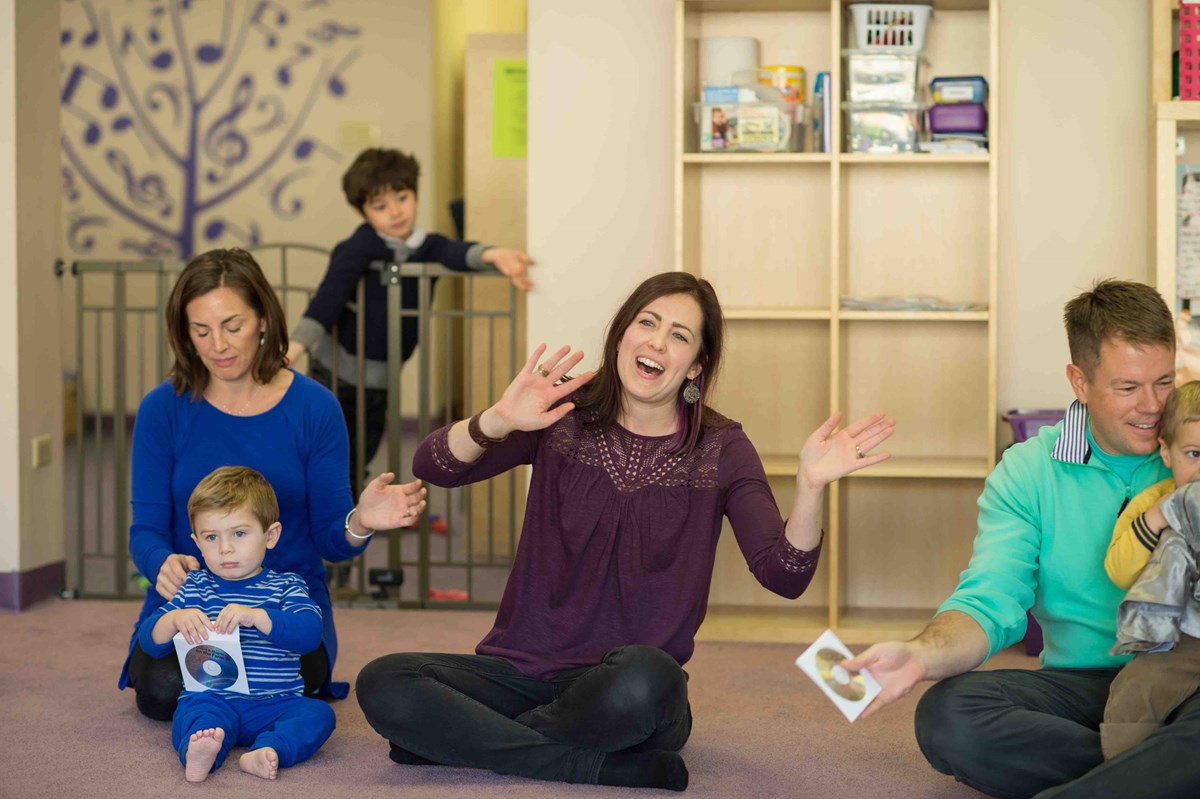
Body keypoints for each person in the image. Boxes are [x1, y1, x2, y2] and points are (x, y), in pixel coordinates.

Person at [355, 272, 894, 790]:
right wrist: (499, 417)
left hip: (625, 689)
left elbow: (784, 576)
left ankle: (467, 743)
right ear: (621, 336)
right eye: (647, 323)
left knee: (647, 677)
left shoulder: (722, 448)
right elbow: (434, 468)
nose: (657, 343)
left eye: (679, 335)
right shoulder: (560, 416)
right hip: (518, 675)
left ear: (695, 367)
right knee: (385, 681)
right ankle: (593, 766)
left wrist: (810, 486)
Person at [842, 279, 1200, 799]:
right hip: (1084, 684)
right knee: (949, 715)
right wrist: (921, 655)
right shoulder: (1029, 471)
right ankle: (1161, 770)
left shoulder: (1194, 450)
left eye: (1164, 383)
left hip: (1188, 677)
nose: (1152, 406)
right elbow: (990, 598)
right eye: (1127, 388)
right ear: (1080, 381)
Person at [119, 247, 427, 721]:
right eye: (201, 330)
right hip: (198, 606)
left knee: (285, 680)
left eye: (233, 326)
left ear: (264, 319)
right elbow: (145, 529)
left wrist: (360, 522)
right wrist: (160, 563)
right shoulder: (164, 408)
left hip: (284, 608)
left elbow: (332, 539)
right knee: (161, 692)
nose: (217, 345)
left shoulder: (315, 408)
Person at [286, 147, 535, 491]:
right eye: (380, 206)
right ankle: (329, 512)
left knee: (363, 448)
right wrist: (296, 346)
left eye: (402, 197)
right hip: (338, 371)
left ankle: (350, 509)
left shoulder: (427, 246)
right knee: (330, 447)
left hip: (380, 375)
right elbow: (330, 295)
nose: (396, 211)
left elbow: (457, 252)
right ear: (362, 212)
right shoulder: (360, 245)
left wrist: (494, 254)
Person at [139, 466, 335, 782]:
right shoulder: (195, 587)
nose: (225, 548)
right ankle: (200, 752)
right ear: (197, 542)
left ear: (271, 536)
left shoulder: (287, 586)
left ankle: (269, 750)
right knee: (191, 714)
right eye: (211, 537)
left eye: (239, 533)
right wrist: (174, 619)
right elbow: (150, 641)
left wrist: (259, 616)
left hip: (276, 703)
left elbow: (309, 633)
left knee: (318, 715)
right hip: (213, 699)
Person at [1102, 381, 1200, 758]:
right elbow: (1119, 570)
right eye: (1194, 453)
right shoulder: (1154, 503)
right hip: (1176, 641)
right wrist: (1159, 518)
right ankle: (1123, 770)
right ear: (1166, 453)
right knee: (1135, 690)